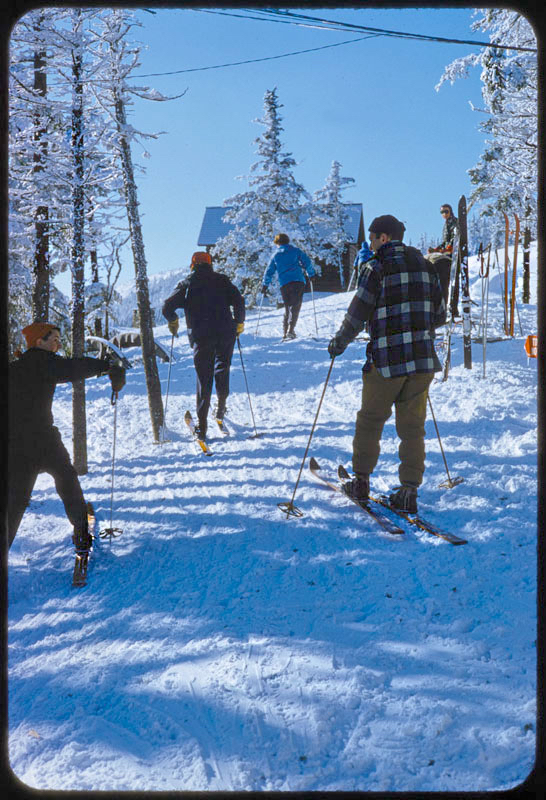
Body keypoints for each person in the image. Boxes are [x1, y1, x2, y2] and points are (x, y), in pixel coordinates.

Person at [328, 214, 446, 513]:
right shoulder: (427, 267)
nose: (370, 243)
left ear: (384, 237)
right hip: (422, 362)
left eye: (372, 237)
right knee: (412, 428)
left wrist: (339, 342)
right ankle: (408, 491)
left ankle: (361, 482)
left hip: (387, 361)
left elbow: (358, 312)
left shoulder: (375, 267)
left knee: (370, 421)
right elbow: (441, 315)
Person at [8, 322, 126, 550]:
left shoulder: (15, 367)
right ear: (38, 342)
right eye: (53, 338)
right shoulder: (44, 362)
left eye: (59, 338)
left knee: (16, 502)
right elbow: (75, 368)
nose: (58, 342)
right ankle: (82, 534)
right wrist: (107, 366)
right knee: (67, 482)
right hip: (43, 440)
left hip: (17, 444)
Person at [162, 251, 245, 440]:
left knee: (204, 378)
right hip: (226, 333)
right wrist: (239, 323)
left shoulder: (187, 284)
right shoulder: (222, 280)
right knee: (222, 370)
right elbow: (239, 301)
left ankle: (202, 426)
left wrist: (173, 321)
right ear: (210, 264)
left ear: (192, 265)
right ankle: (221, 410)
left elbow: (167, 307)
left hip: (202, 336)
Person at [261, 233, 316, 340]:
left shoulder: (276, 255)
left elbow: (269, 271)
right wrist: (311, 274)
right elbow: (307, 262)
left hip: (285, 283)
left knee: (288, 306)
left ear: (277, 243)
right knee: (295, 306)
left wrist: (265, 284)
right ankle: (290, 330)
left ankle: (286, 331)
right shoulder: (296, 251)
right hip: (298, 281)